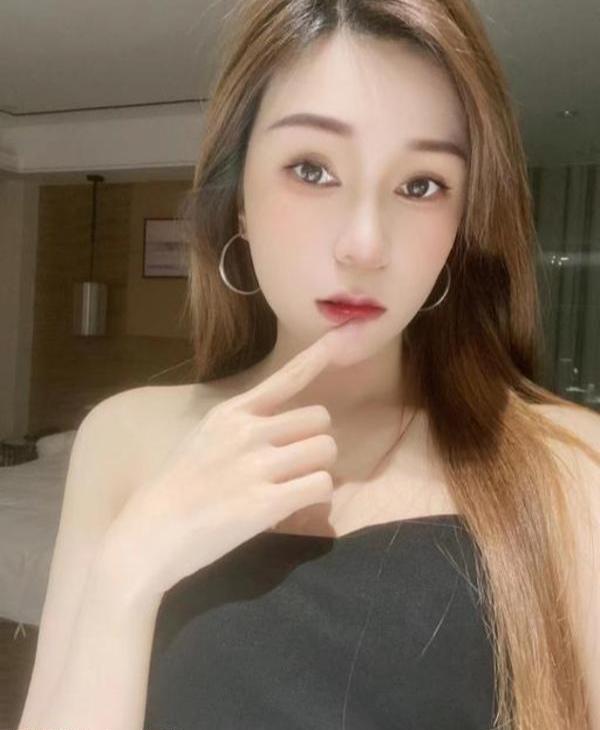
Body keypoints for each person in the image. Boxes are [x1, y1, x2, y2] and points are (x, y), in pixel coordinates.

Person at [18, 1, 600, 729]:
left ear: (460, 225)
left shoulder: (568, 465)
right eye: (312, 169)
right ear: (238, 199)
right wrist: (127, 574)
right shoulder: (125, 439)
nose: (365, 245)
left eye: (421, 184)